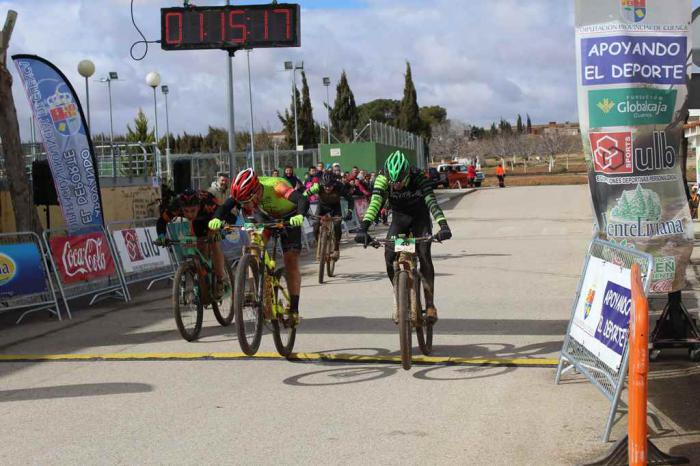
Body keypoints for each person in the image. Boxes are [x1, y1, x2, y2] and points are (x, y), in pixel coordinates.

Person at [355, 150, 452, 323]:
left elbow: (431, 202)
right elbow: (375, 204)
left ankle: (430, 305)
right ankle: (399, 294)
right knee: (389, 255)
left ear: (407, 174)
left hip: (420, 218)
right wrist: (363, 228)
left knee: (423, 254)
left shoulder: (418, 176)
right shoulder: (382, 177)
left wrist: (443, 225)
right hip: (400, 220)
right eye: (393, 183)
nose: (396, 186)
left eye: (399, 182)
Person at [214, 168, 309, 324]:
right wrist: (217, 219)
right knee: (253, 248)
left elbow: (302, 200)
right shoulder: (243, 194)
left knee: (290, 261)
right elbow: (224, 207)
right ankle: (255, 292)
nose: (245, 205)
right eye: (242, 203)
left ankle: (294, 309)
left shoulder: (277, 186)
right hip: (263, 216)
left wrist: (299, 215)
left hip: (288, 216)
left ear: (257, 191)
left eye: (247, 201)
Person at [155, 188, 231, 297]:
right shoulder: (175, 206)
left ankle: (220, 279)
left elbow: (222, 212)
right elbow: (161, 221)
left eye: (193, 210)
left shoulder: (207, 204)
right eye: (186, 211)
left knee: (213, 240)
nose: (189, 214)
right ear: (181, 208)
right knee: (198, 245)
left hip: (210, 218)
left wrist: (221, 230)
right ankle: (204, 278)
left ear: (199, 207)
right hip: (196, 222)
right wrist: (161, 236)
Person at [306, 171, 354, 257]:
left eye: (330, 186)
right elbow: (304, 197)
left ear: (334, 184)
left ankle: (336, 248)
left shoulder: (340, 186)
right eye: (325, 186)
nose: (327, 188)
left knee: (337, 225)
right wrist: (305, 210)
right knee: (316, 224)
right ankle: (319, 244)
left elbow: (350, 200)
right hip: (322, 207)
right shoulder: (318, 186)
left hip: (335, 207)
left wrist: (349, 212)